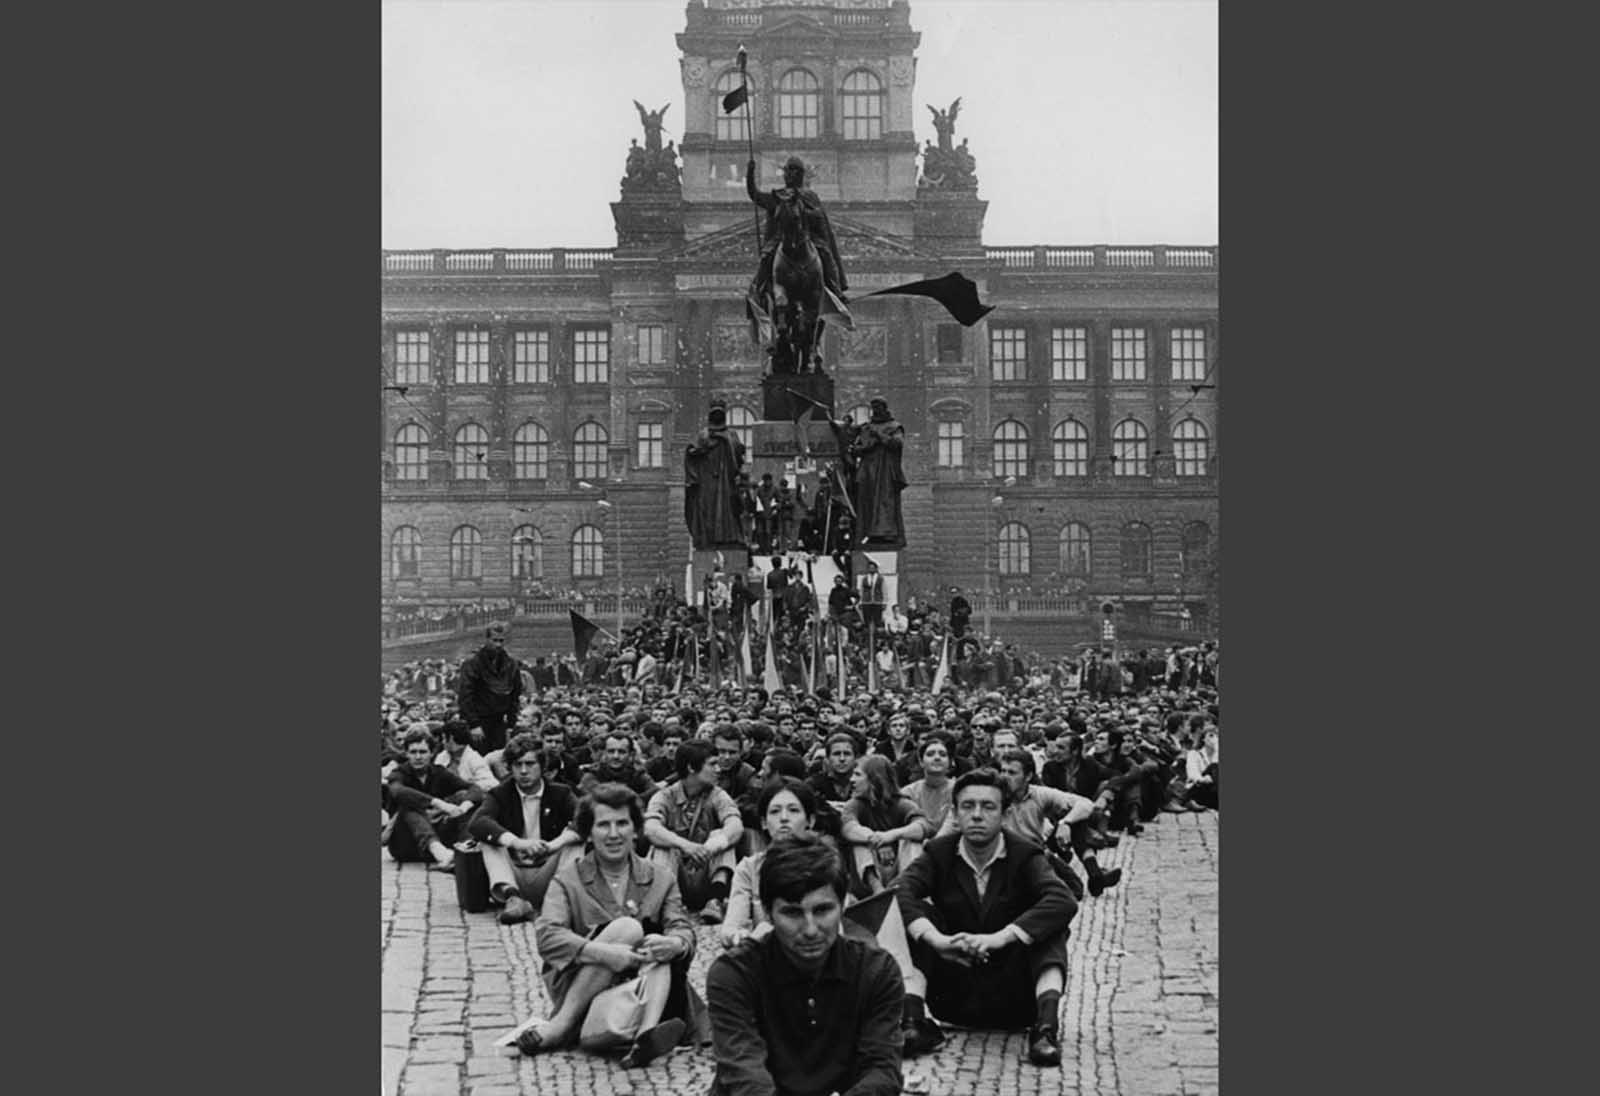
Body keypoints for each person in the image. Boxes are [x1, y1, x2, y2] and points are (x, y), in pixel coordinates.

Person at [895, 769, 1078, 1067]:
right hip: (954, 993)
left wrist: (1001, 937)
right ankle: (913, 1023)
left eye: (988, 806)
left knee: (1048, 925)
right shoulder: (939, 852)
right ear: (955, 813)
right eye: (968, 806)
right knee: (917, 917)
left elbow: (1063, 899)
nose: (977, 815)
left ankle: (1045, 1030)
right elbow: (900, 890)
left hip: (1015, 998)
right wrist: (937, 940)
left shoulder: (1026, 855)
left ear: (1005, 815)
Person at [706, 835, 904, 1096]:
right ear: (767, 912)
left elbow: (882, 1069)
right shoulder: (734, 974)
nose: (810, 929)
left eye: (822, 910)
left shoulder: (877, 971)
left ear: (843, 904)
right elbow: (745, 1073)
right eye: (793, 913)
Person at [524, 783, 704, 1067]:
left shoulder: (661, 877)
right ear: (589, 833)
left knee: (657, 944)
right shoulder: (567, 880)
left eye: (622, 823)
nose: (613, 834)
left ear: (635, 829)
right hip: (583, 991)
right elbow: (548, 936)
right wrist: (605, 953)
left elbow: (680, 926)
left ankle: (646, 1037)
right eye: (603, 825)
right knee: (629, 929)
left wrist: (676, 943)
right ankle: (564, 1022)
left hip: (641, 989)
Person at [467, 733, 585, 924]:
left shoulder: (561, 793)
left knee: (573, 843)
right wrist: (518, 842)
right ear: (510, 768)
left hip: (549, 870)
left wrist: (555, 844)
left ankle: (562, 900)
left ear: (542, 766)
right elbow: (477, 822)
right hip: (513, 873)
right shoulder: (500, 794)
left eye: (530, 764)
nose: (523, 771)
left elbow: (586, 819)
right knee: (488, 841)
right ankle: (513, 899)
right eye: (517, 765)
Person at [643, 740, 745, 924]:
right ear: (691, 767)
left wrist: (709, 848)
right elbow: (651, 829)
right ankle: (667, 907)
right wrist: (685, 845)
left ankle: (716, 901)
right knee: (664, 844)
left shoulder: (717, 794)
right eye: (712, 764)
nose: (719, 769)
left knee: (721, 837)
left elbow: (735, 825)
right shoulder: (665, 796)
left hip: (704, 875)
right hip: (675, 878)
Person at [745, 156, 849, 313]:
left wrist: (804, 214)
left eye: (794, 172)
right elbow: (755, 195)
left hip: (807, 237)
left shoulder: (809, 196)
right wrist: (750, 172)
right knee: (766, 259)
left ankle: (836, 291)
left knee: (826, 255)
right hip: (781, 239)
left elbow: (819, 218)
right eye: (788, 171)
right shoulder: (778, 196)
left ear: (800, 175)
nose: (790, 175)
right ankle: (758, 292)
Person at [384, 726, 484, 872]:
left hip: (438, 839)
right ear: (406, 754)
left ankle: (465, 850)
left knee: (465, 798)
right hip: (406, 845)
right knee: (408, 806)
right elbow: (398, 791)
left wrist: (464, 807)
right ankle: (442, 853)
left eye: (423, 752)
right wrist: (438, 803)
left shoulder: (439, 773)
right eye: (413, 752)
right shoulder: (399, 773)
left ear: (431, 753)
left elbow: (474, 788)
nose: (418, 757)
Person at [840, 754, 933, 895]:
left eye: (858, 775)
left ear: (874, 779)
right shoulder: (855, 805)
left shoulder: (902, 803)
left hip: (898, 869)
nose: (852, 780)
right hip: (868, 876)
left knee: (911, 841)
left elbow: (923, 826)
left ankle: (908, 889)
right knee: (859, 842)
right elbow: (848, 828)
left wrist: (891, 835)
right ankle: (878, 890)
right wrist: (877, 840)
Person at [684, 399, 748, 551]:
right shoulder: (703, 434)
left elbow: (738, 454)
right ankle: (708, 539)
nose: (717, 416)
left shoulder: (731, 434)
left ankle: (728, 539)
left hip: (726, 480)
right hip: (707, 481)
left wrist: (727, 443)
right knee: (708, 511)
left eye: (720, 412)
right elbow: (691, 452)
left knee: (728, 511)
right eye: (715, 413)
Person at [848, 399, 908, 549]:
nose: (875, 410)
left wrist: (880, 436)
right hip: (868, 471)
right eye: (873, 408)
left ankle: (886, 534)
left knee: (885, 503)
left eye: (878, 407)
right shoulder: (867, 428)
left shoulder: (894, 426)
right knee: (866, 503)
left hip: (885, 472)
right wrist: (860, 449)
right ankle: (866, 534)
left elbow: (897, 444)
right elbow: (857, 448)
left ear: (885, 408)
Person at [457, 622, 523, 752]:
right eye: (494, 640)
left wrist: (511, 723)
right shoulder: (473, 663)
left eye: (501, 641)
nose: (498, 645)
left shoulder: (511, 664)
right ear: (487, 640)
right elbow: (465, 695)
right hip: (479, 722)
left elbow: (514, 695)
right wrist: (473, 724)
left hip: (499, 722)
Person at [435, 719, 500, 792]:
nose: (442, 742)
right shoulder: (442, 756)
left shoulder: (474, 759)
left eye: (444, 738)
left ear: (451, 738)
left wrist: (467, 786)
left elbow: (492, 784)